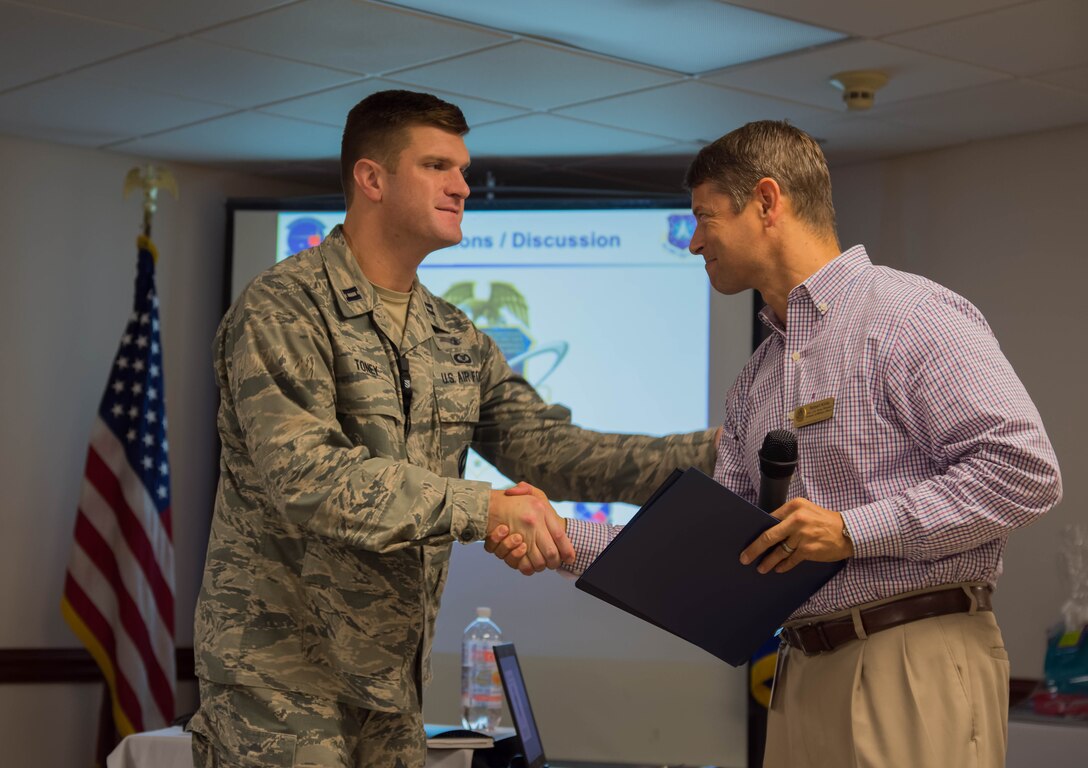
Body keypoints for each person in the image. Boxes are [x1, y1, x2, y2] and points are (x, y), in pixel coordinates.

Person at [487, 120, 1062, 768]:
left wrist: (852, 530)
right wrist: (556, 533)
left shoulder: (909, 315)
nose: (695, 240)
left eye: (704, 217)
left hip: (911, 655)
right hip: (801, 671)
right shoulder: (756, 381)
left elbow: (1024, 469)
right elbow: (712, 546)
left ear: (766, 201)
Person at [188, 89, 717, 768]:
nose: (463, 187)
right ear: (371, 178)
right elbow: (309, 477)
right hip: (279, 681)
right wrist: (483, 507)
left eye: (462, 169)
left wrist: (726, 448)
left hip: (393, 685)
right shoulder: (285, 309)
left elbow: (554, 452)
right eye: (438, 166)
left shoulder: (454, 336)